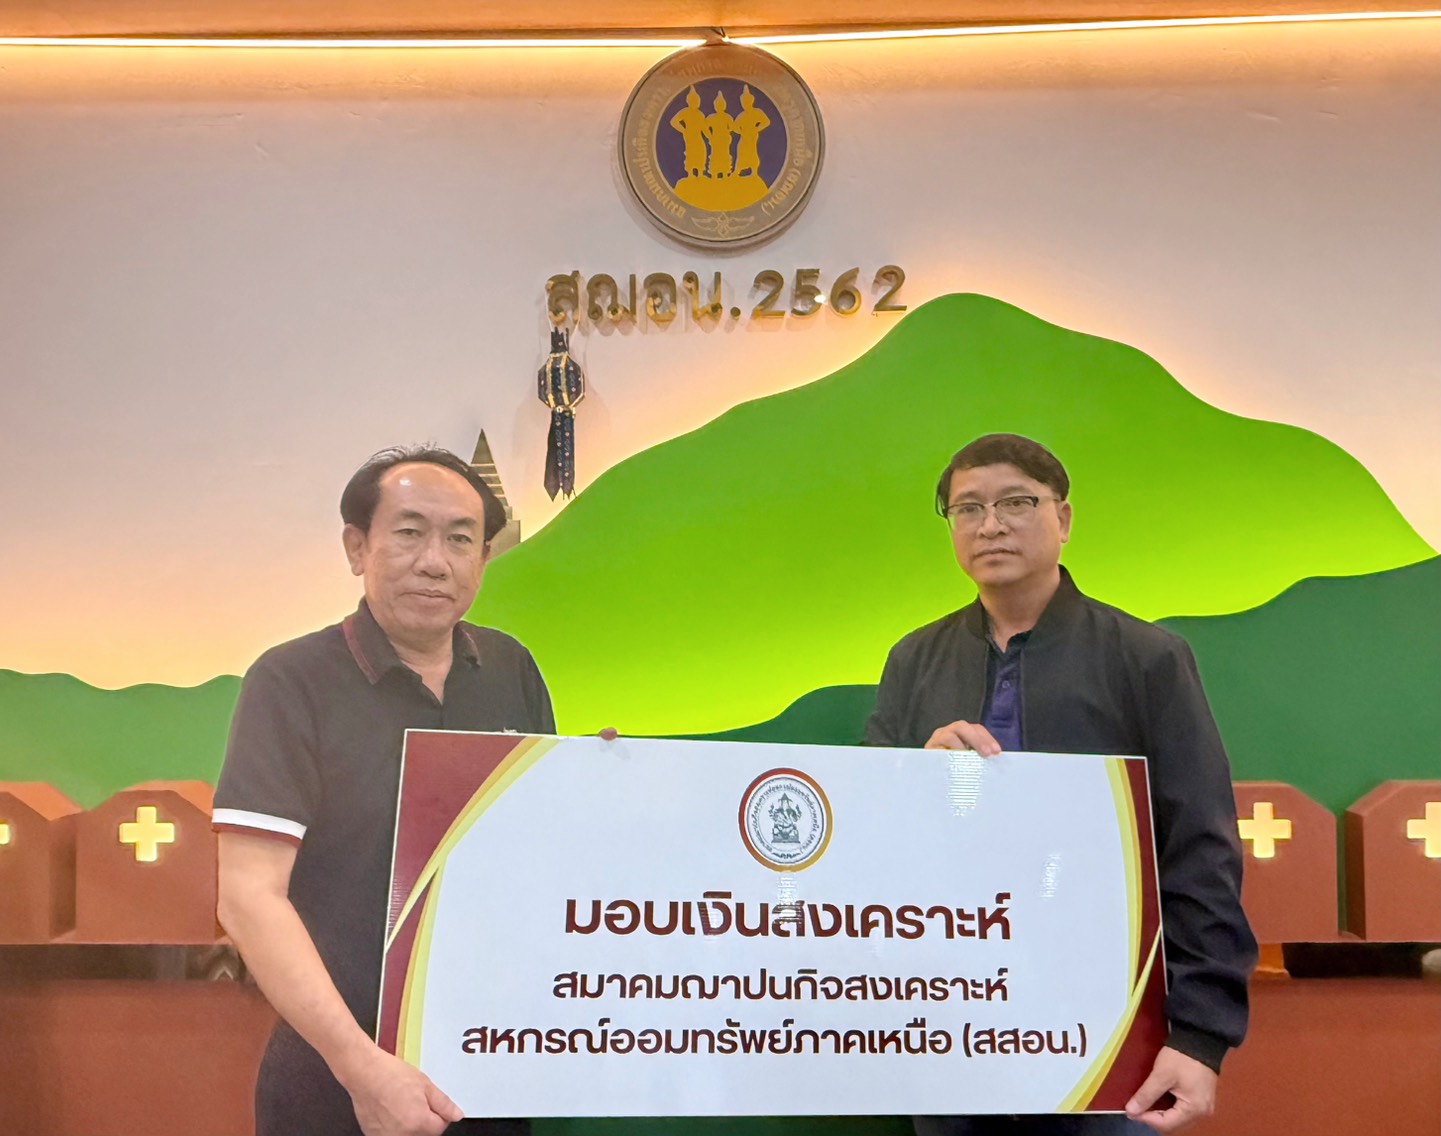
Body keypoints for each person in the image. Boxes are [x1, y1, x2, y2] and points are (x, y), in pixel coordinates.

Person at [866, 434, 1256, 1136]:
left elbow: (1200, 849)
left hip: (1109, 1030)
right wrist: (912, 777)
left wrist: (1200, 1036)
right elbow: (869, 831)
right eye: (967, 508)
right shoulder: (913, 661)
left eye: (1016, 502)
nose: (990, 525)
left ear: (1063, 518)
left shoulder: (1146, 658)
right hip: (949, 1021)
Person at [213, 446, 554, 1136]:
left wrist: (597, 778)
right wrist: (361, 1068)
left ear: (484, 557)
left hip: (489, 1068)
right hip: (336, 1078)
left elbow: (538, 853)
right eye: (408, 533)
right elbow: (248, 897)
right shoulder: (291, 682)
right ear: (356, 547)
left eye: (460, 539)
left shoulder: (510, 669)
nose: (434, 561)